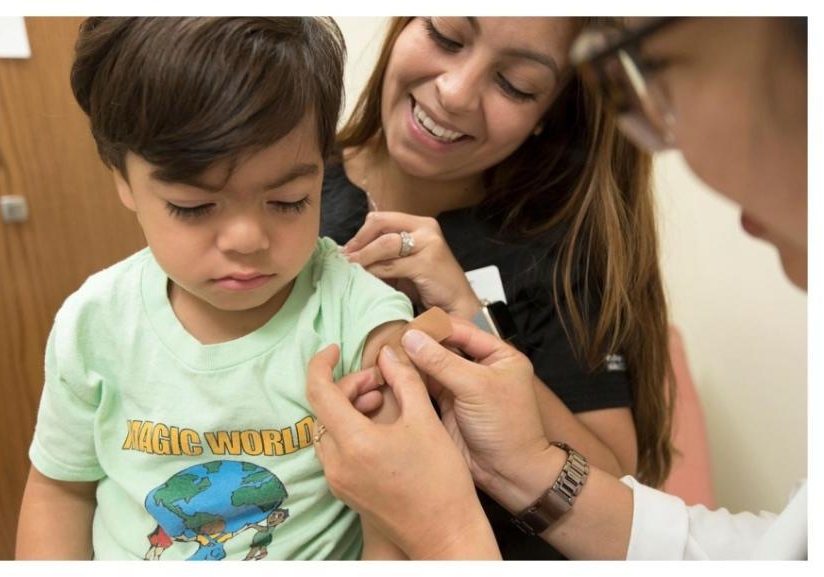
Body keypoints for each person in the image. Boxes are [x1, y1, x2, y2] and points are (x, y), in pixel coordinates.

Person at [307, 16, 808, 559]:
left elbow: (616, 482)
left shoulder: (559, 252)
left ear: (550, 113)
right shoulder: (285, 190)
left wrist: (473, 316)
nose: (454, 93)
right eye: (446, 35)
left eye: (516, 85)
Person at [14, 17, 415, 560]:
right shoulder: (95, 321)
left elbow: (399, 516)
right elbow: (60, 489)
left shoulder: (359, 317)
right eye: (194, 206)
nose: (248, 239)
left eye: (289, 200)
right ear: (122, 181)